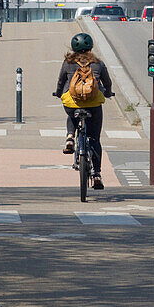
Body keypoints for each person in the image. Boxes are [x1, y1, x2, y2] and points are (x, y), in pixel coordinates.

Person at [53, 32, 113, 190]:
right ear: (90, 47)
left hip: (72, 102)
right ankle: (97, 175)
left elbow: (60, 82)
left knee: (72, 112)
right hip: (93, 104)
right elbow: (108, 82)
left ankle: (70, 137)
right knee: (95, 139)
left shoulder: (68, 63)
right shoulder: (98, 63)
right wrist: (107, 93)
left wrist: (58, 93)